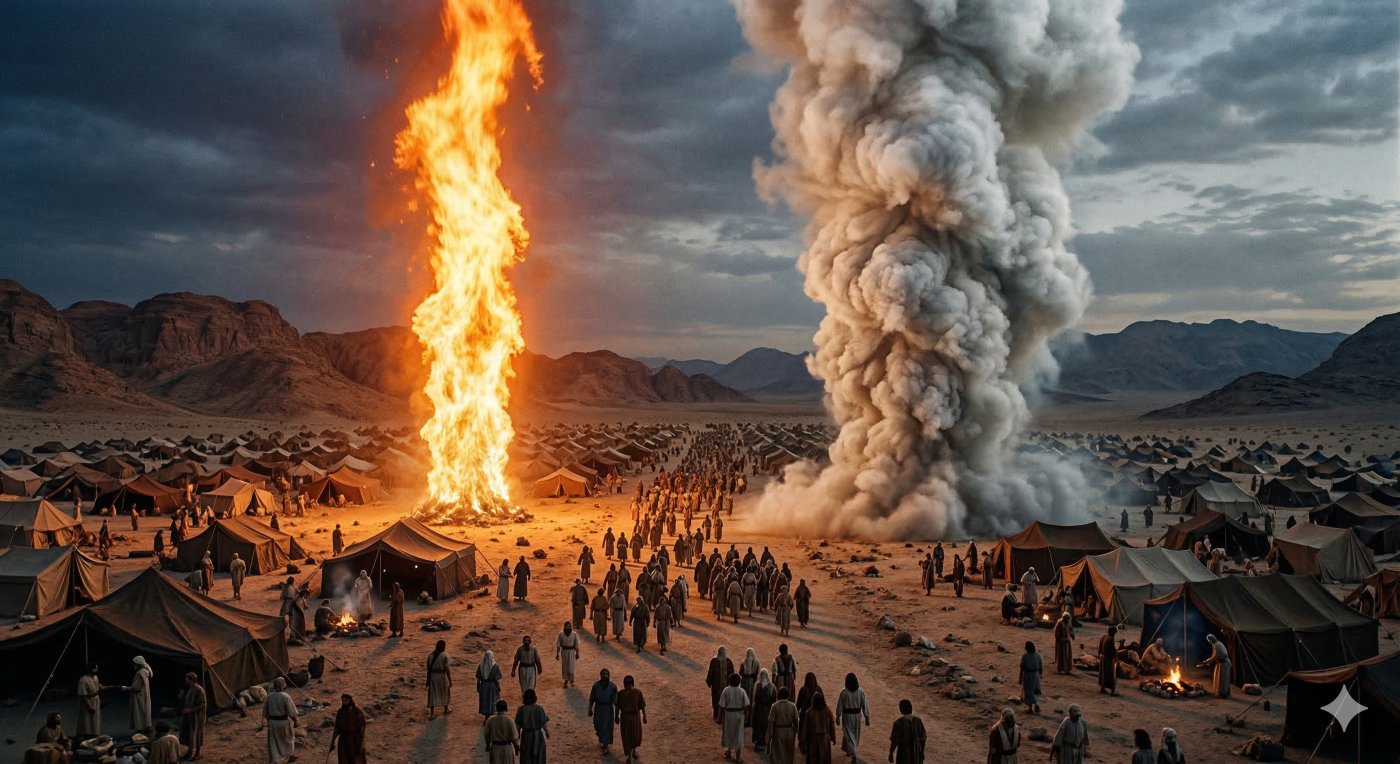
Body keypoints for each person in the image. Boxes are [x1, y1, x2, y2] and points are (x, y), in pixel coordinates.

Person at [263, 676, 298, 764]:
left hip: (272, 723)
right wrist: (296, 721)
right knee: (288, 739)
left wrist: (269, 722)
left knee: (273, 742)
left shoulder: (269, 697)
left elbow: (266, 713)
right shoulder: (286, 696)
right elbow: (291, 712)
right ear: (283, 685)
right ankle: (289, 755)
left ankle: (275, 761)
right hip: (284, 722)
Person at [836, 673, 870, 761]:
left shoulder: (844, 692)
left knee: (848, 734)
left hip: (847, 716)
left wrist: (838, 716)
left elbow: (839, 705)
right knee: (855, 734)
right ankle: (850, 751)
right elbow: (864, 704)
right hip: (857, 716)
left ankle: (852, 753)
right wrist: (867, 717)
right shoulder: (860, 692)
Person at [616, 674, 647, 763]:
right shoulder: (621, 694)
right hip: (626, 717)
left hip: (635, 717)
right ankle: (629, 755)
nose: (628, 685)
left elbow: (642, 705)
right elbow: (617, 706)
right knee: (627, 736)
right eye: (627, 683)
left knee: (635, 735)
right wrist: (616, 716)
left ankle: (633, 751)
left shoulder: (637, 693)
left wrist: (644, 716)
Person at [328, 694, 367, 764]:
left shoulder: (358, 712)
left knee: (355, 759)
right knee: (343, 759)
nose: (344, 702)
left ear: (350, 701)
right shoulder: (340, 712)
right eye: (343, 701)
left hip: (354, 739)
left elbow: (362, 726)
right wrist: (333, 741)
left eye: (346, 700)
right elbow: (337, 727)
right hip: (343, 740)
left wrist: (360, 742)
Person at [720, 673, 750, 761]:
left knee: (728, 732)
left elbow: (722, 705)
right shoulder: (742, 691)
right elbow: (746, 705)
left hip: (728, 715)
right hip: (739, 715)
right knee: (738, 735)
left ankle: (728, 751)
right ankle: (738, 756)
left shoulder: (726, 690)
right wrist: (747, 715)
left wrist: (720, 717)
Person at [588, 668, 619, 755]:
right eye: (604, 674)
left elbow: (616, 702)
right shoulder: (596, 686)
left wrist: (617, 715)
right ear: (600, 675)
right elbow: (592, 698)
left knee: (607, 727)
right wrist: (590, 709)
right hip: (598, 709)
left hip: (608, 709)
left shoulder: (613, 687)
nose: (605, 676)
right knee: (597, 726)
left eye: (607, 674)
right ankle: (602, 740)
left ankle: (605, 746)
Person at [515, 689, 549, 764]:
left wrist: (517, 737)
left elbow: (517, 726)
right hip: (537, 735)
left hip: (526, 736)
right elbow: (544, 723)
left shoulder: (521, 709)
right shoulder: (539, 709)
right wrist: (547, 732)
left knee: (526, 756)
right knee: (538, 756)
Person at [887, 698, 926, 764]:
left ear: (901, 709)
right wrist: (922, 752)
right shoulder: (918, 721)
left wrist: (891, 753)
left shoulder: (898, 723)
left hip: (903, 757)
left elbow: (894, 741)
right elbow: (923, 739)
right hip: (916, 756)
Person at [802, 691, 836, 764]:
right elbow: (832, 726)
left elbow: (805, 728)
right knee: (824, 759)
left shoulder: (809, 712)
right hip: (825, 738)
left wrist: (803, 741)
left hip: (813, 739)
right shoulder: (827, 711)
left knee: (813, 759)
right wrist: (833, 738)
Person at [179, 672, 207, 761]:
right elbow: (183, 699)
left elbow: (203, 704)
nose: (185, 680)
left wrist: (190, 710)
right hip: (189, 716)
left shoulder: (199, 689)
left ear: (191, 679)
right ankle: (190, 752)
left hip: (197, 717)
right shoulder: (189, 688)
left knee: (197, 734)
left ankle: (197, 753)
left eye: (187, 678)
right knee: (190, 735)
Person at [482, 699, 519, 763]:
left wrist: (488, 746)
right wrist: (516, 748)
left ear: (496, 708)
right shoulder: (510, 721)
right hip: (507, 749)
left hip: (495, 748)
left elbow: (486, 735)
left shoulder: (490, 720)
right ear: (506, 708)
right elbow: (514, 738)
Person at [123, 656, 153, 734]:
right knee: (144, 711)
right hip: (144, 695)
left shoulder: (140, 673)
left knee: (139, 712)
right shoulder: (145, 671)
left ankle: (140, 728)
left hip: (139, 696)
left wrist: (126, 688)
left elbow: (135, 687)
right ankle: (146, 726)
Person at [769, 687, 799, 763]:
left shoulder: (774, 706)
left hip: (778, 731)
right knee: (789, 753)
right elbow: (796, 720)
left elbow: (771, 721)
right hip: (789, 731)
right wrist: (795, 731)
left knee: (778, 753)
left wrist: (770, 735)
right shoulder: (792, 706)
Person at [707, 646, 735, 723]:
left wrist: (709, 682)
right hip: (718, 684)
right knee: (717, 700)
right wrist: (709, 681)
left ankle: (721, 716)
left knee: (722, 700)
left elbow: (732, 673)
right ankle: (718, 716)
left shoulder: (727, 661)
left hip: (723, 685)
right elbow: (711, 672)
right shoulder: (715, 661)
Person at [427, 640, 453, 719]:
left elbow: (428, 668)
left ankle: (432, 713)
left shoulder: (430, 655)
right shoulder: (445, 655)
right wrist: (450, 680)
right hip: (442, 676)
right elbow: (447, 669)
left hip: (433, 677)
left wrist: (427, 680)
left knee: (432, 694)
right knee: (445, 692)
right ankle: (446, 709)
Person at [753, 669, 777, 752]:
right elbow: (774, 699)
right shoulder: (772, 686)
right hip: (769, 710)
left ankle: (760, 743)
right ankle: (766, 742)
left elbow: (755, 699)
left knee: (759, 726)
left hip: (759, 710)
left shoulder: (758, 685)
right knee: (766, 726)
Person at [75, 663, 102, 739]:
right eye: (95, 668)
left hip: (95, 699)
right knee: (87, 718)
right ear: (91, 669)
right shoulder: (83, 680)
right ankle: (87, 735)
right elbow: (83, 695)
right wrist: (89, 706)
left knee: (95, 719)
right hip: (88, 700)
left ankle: (94, 734)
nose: (97, 670)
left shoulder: (95, 677)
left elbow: (98, 686)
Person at [476, 650, 502, 718]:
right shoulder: (495, 666)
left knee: (485, 700)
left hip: (484, 686)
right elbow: (497, 679)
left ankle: (486, 716)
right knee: (493, 699)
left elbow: (478, 679)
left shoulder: (480, 666)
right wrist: (499, 687)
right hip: (492, 686)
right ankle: (492, 714)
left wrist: (478, 687)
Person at [1019, 641, 1042, 714]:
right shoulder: (1038, 656)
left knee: (1028, 692)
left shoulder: (1025, 656)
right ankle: (1036, 704)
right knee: (1035, 690)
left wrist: (1020, 678)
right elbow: (1041, 667)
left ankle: (1030, 708)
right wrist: (1040, 674)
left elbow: (1022, 668)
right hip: (1036, 675)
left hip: (1028, 675)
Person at [555, 622, 580, 687]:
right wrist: (557, 653)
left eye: (569, 626)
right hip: (564, 652)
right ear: (564, 627)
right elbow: (558, 645)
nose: (568, 627)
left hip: (571, 651)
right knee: (565, 665)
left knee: (571, 665)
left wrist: (577, 653)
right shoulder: (561, 634)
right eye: (567, 626)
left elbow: (576, 644)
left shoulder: (574, 634)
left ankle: (571, 679)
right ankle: (566, 680)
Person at [1097, 626, 1118, 696]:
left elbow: (1099, 648)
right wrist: (1115, 657)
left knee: (1103, 674)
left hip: (1102, 657)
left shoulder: (1104, 637)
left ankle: (1102, 688)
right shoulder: (1111, 639)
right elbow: (1112, 651)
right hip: (1108, 659)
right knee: (1111, 675)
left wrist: (1099, 655)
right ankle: (1112, 691)